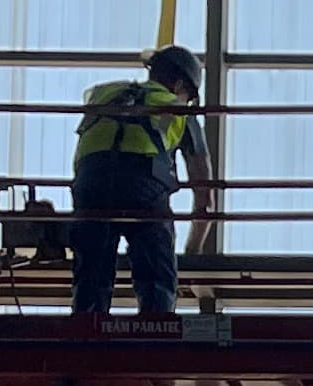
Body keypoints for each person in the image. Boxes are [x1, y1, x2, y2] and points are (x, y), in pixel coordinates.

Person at [68, 44, 212, 327]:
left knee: (92, 277)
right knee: (157, 278)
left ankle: (84, 341)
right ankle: (154, 340)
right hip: (142, 186)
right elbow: (205, 197)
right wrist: (192, 253)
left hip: (90, 185)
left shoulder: (104, 95)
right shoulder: (179, 110)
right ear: (181, 85)